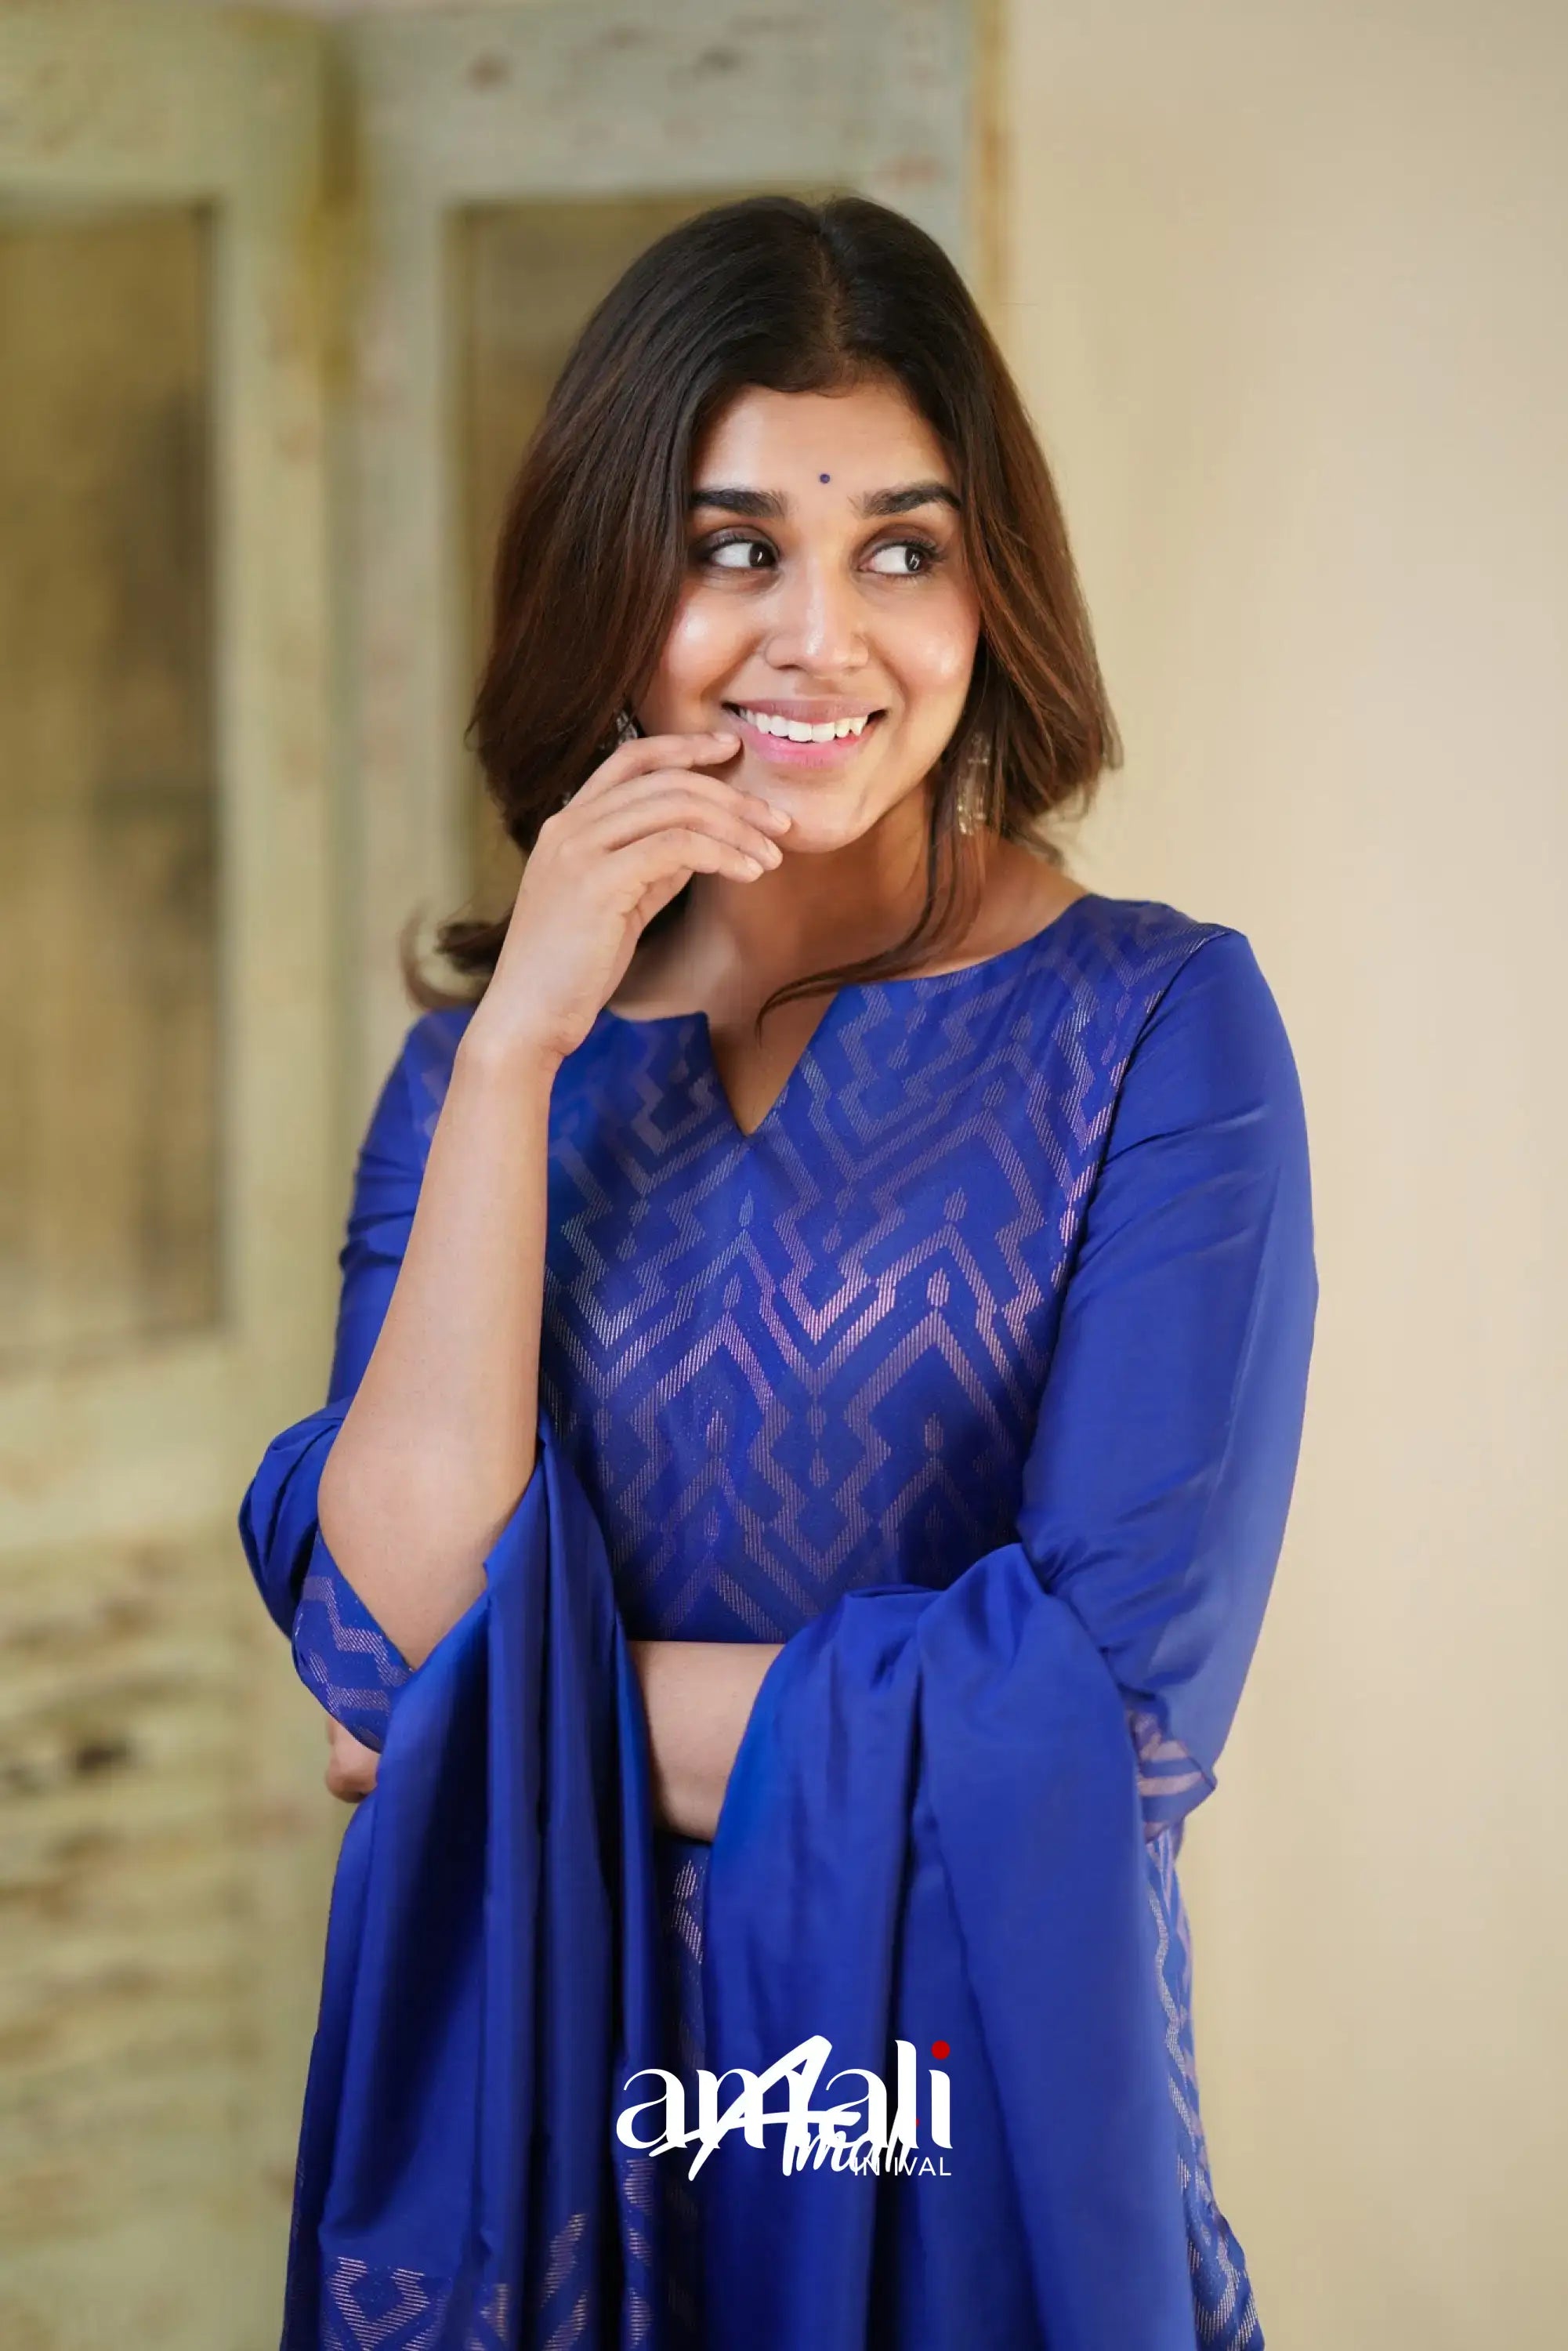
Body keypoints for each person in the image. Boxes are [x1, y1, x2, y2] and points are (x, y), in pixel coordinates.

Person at [239, 194, 1316, 2351]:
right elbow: (386, 1619)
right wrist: (524, 1044)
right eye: (734, 549)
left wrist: (484, 1726)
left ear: (991, 596)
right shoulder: (478, 1074)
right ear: (611, 586)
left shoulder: (1150, 1033)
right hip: (533, 2149)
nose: (820, 638)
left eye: (901, 552)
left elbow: (1104, 1730)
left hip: (955, 2144)